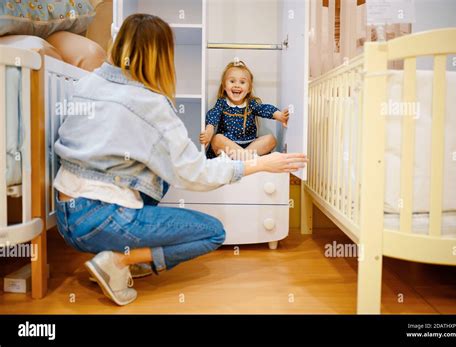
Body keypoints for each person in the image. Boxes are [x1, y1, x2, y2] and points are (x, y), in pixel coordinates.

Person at [53, 13, 307, 306]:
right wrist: (260, 164)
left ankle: (116, 257)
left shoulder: (88, 84)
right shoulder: (152, 103)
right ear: (162, 56)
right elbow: (196, 174)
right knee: (213, 232)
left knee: (160, 174)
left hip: (66, 216)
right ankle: (118, 260)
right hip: (103, 221)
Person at [200, 60, 290, 160]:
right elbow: (213, 115)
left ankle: (242, 159)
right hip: (229, 147)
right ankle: (248, 160)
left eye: (242, 82)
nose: (237, 85)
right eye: (232, 81)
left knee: (271, 139)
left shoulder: (251, 103)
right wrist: (209, 129)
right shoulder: (222, 103)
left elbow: (264, 109)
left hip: (250, 146)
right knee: (217, 139)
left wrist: (279, 115)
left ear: (249, 88)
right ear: (224, 86)